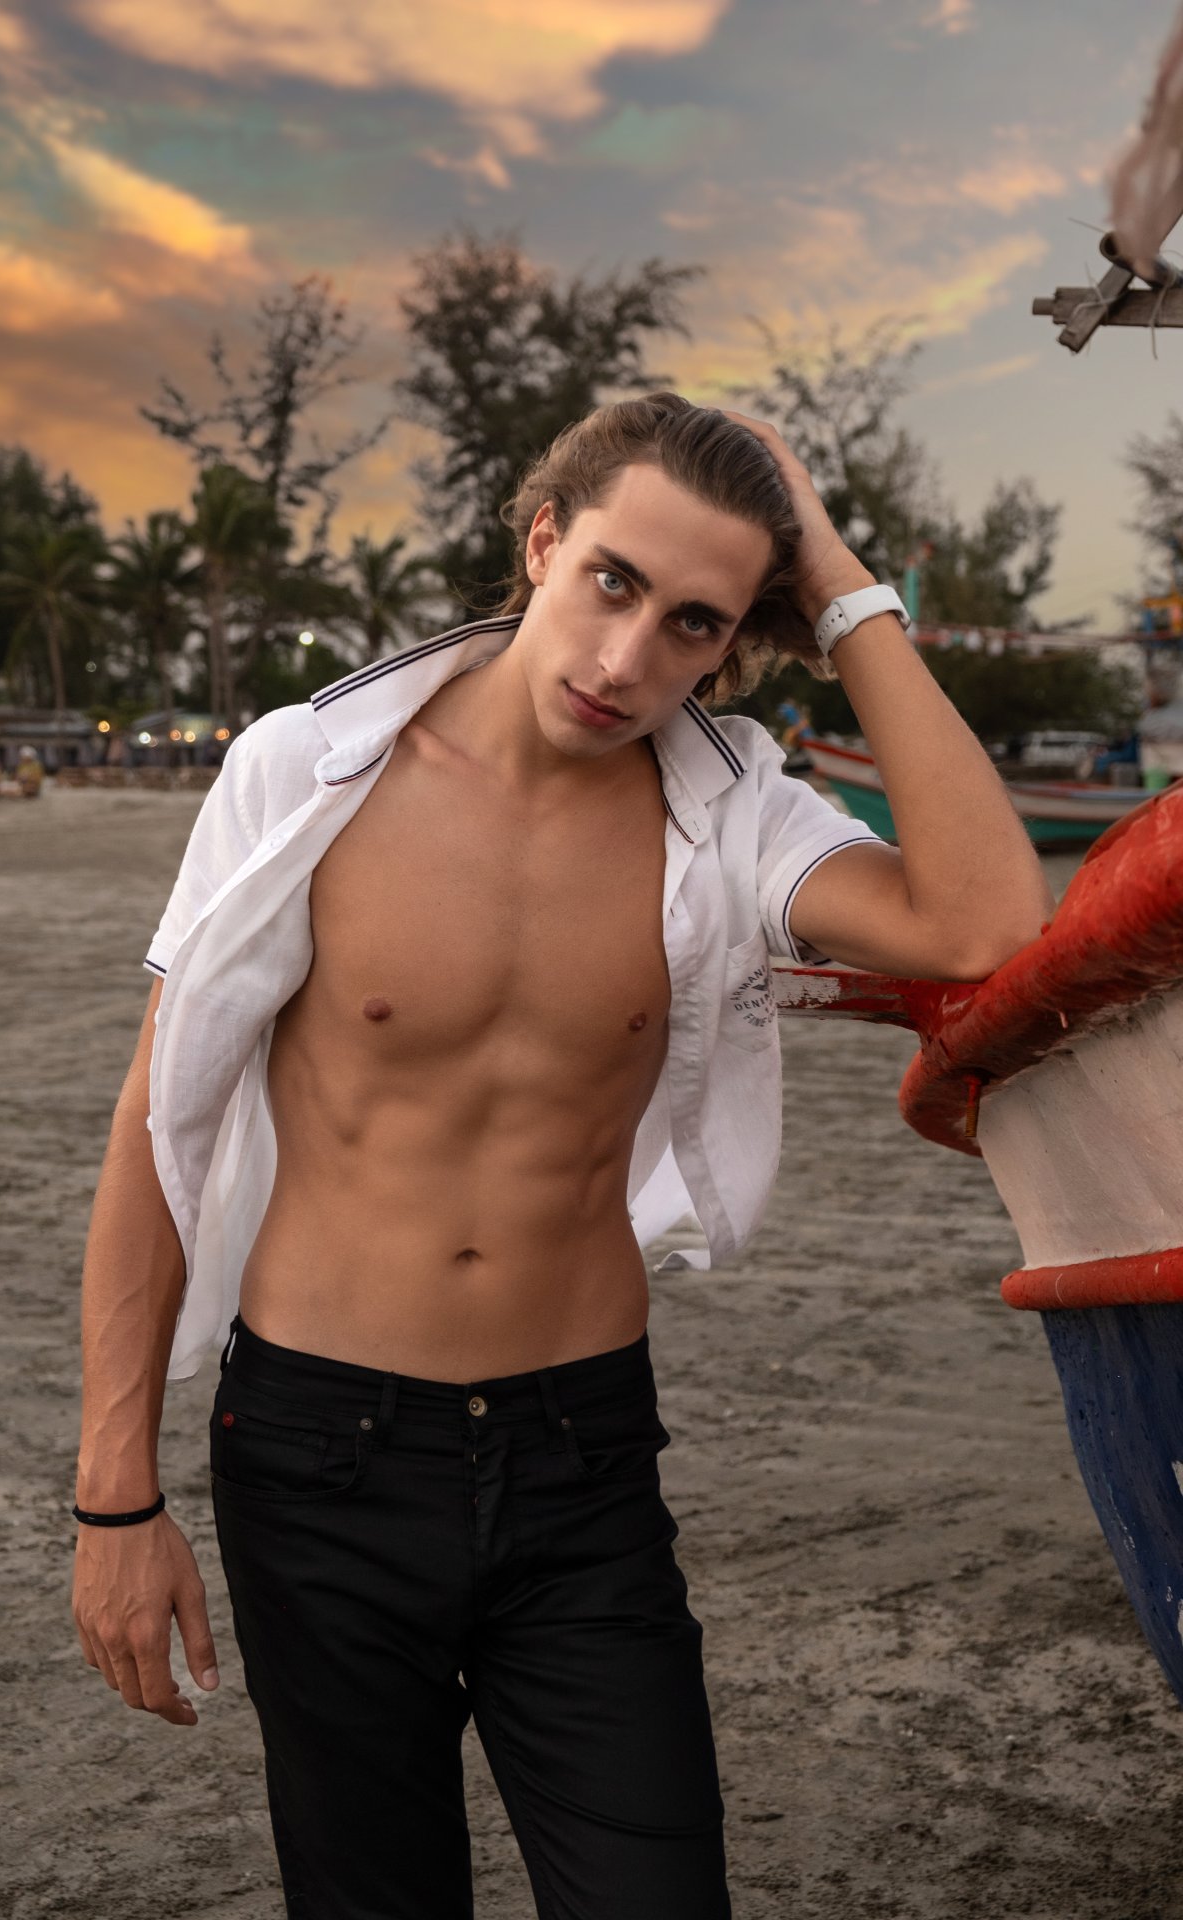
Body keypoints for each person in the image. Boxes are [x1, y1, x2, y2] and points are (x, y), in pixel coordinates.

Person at [71, 394, 1053, 1918]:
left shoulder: (734, 813)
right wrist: (114, 1502)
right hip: (319, 1454)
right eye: (612, 581)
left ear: (731, 642)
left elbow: (985, 924)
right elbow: (158, 1124)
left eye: (692, 623)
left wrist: (841, 582)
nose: (626, 659)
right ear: (543, 541)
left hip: (578, 1456)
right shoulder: (307, 771)